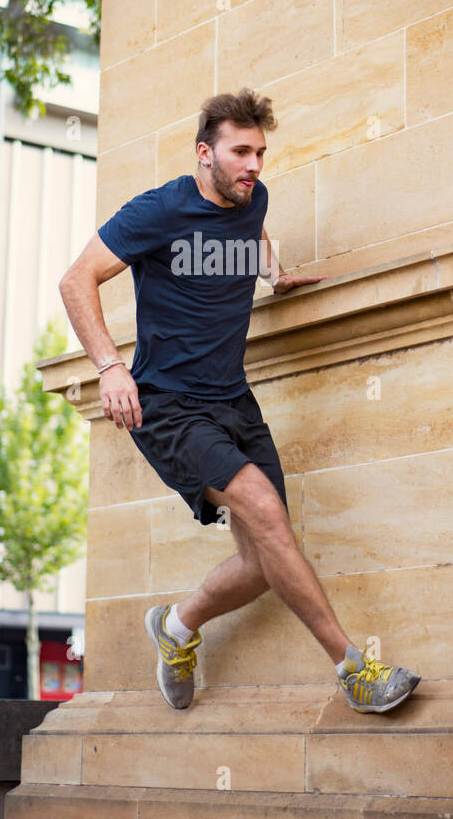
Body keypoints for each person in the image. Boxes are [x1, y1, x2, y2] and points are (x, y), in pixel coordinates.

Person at [58, 88, 420, 714]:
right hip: (169, 406)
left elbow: (253, 233)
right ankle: (355, 671)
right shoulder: (157, 211)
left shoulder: (254, 198)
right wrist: (110, 367)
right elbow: (75, 279)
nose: (254, 165)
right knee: (271, 520)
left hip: (235, 402)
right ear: (206, 153)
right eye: (240, 151)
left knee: (261, 562)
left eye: (260, 152)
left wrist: (273, 274)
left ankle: (175, 627)